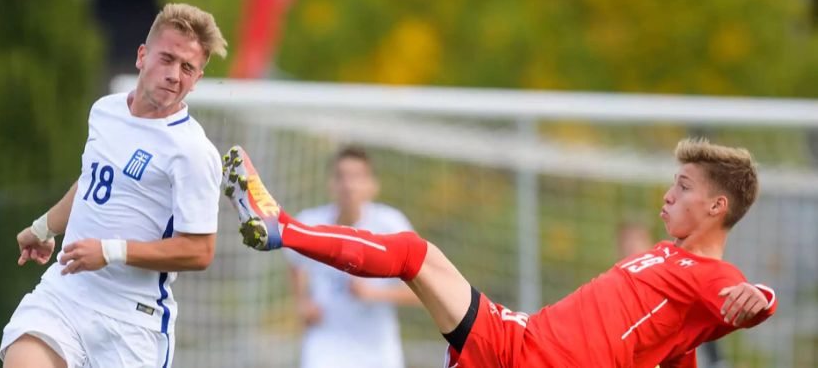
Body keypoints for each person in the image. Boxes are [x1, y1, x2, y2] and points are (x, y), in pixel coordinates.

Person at [221, 138, 778, 367]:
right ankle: (282, 228)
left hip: (540, 361)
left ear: (716, 207)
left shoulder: (711, 273)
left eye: (683, 186)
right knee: (415, 255)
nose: (668, 193)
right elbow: (671, 349)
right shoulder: (667, 259)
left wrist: (762, 296)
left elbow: (748, 300)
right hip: (520, 340)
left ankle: (282, 228)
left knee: (415, 254)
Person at [0, 3, 227, 368]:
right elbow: (93, 181)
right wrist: (44, 227)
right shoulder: (106, 110)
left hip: (132, 323)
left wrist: (111, 251)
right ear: (142, 55)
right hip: (65, 294)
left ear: (197, 79)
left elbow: (199, 251)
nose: (174, 75)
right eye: (167, 59)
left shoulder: (193, 152)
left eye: (187, 68)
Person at [284, 146, 419, 368]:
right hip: (326, 343)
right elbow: (295, 264)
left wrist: (373, 294)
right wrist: (302, 303)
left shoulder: (391, 225)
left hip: (377, 347)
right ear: (331, 184)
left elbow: (420, 292)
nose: (348, 185)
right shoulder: (310, 222)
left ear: (372, 185)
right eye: (341, 176)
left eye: (356, 177)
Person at [617, 222, 731, 368]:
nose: (631, 248)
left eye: (636, 241)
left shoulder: (669, 278)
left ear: (649, 242)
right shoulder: (620, 285)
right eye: (626, 243)